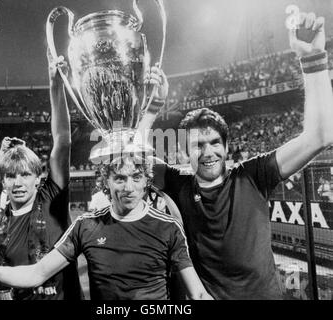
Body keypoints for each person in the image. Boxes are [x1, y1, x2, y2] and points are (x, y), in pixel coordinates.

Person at [138, 12, 333, 299]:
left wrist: (314, 59)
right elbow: (129, 158)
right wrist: (153, 108)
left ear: (227, 147)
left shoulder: (253, 175)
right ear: (185, 151)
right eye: (198, 145)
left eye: (215, 142)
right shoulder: (178, 183)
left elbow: (320, 136)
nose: (208, 152)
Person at [0, 153, 213, 300]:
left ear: (146, 181)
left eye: (136, 178)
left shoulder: (167, 226)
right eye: (119, 179)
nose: (128, 187)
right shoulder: (86, 225)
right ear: (106, 182)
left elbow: (198, 295)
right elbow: (37, 273)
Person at [0, 50, 83, 300]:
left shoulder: (52, 198)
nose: (18, 182)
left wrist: (55, 85)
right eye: (11, 176)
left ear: (38, 178)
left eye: (25, 175)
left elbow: (63, 141)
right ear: (3, 181)